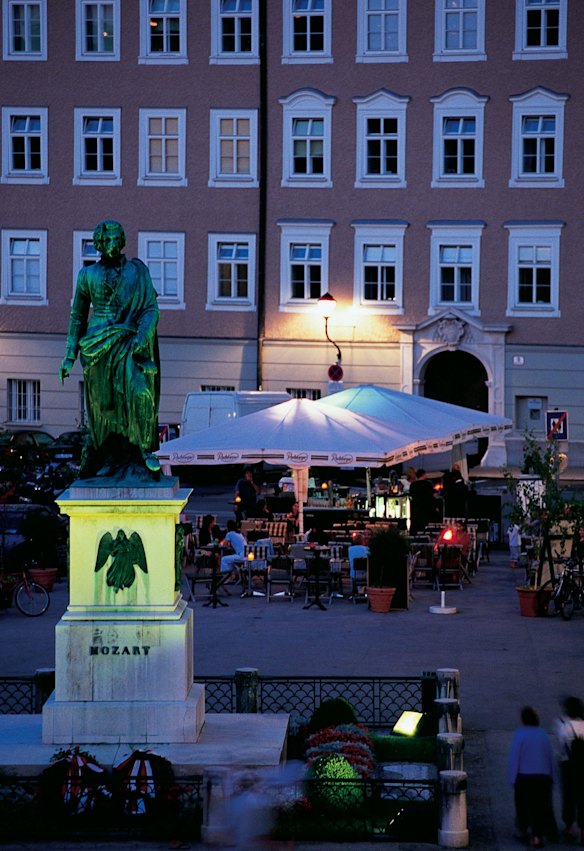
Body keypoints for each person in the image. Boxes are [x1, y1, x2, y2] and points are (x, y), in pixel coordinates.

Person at [59, 220, 160, 479]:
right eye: (107, 240)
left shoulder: (138, 272)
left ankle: (143, 449)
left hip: (129, 341)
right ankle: (108, 455)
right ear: (99, 244)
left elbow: (150, 308)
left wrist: (142, 336)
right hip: (95, 348)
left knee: (140, 393)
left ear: (123, 240)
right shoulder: (87, 275)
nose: (112, 244)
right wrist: (70, 355)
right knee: (103, 407)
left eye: (117, 239)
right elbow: (78, 316)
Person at [507, 705, 557, 848]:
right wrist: (553, 776)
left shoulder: (520, 734)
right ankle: (537, 835)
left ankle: (523, 830)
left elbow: (515, 758)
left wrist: (512, 777)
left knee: (523, 805)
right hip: (543, 777)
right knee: (540, 806)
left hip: (524, 777)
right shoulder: (543, 734)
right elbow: (549, 757)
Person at [553, 696, 584, 843]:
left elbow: (561, 746)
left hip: (569, 766)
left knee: (569, 797)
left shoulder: (562, 724)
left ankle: (570, 827)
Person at [408, 469, 437, 534]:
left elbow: (411, 495)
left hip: (416, 508)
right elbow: (433, 495)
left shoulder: (413, 485)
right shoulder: (428, 484)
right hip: (427, 507)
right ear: (423, 475)